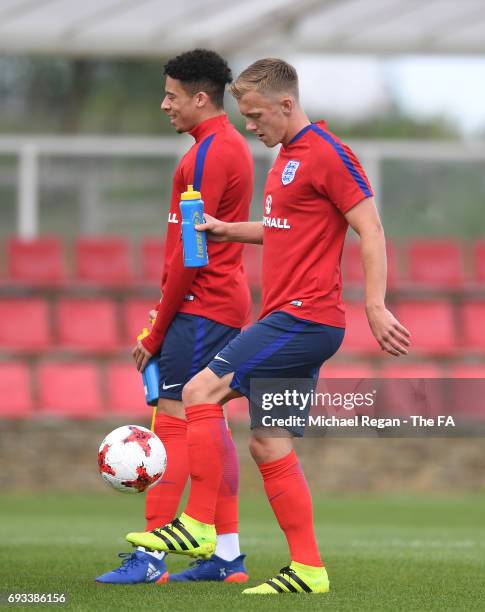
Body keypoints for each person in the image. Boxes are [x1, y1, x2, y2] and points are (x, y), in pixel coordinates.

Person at [126, 58, 411, 595]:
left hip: (302, 317)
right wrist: (226, 228)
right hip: (294, 319)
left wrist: (376, 303)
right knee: (268, 443)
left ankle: (202, 525)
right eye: (245, 116)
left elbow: (370, 227)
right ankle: (308, 569)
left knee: (198, 391)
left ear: (286, 104)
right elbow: (283, 228)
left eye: (256, 115)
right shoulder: (286, 159)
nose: (250, 125)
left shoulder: (328, 153)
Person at [96, 49, 253, 585]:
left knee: (172, 426)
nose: (165, 105)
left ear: (199, 97)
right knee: (213, 429)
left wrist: (158, 326)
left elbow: (192, 251)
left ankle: (152, 559)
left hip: (200, 309)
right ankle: (228, 556)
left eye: (171, 95)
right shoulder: (223, 149)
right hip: (215, 306)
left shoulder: (208, 155)